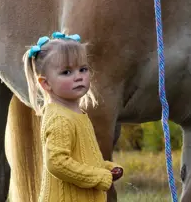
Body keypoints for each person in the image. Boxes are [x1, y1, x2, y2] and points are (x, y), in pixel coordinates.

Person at [24, 31, 123, 202]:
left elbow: (83, 159)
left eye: (83, 69)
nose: (78, 77)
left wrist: (106, 168)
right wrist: (98, 177)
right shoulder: (60, 119)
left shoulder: (76, 114)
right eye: (66, 72)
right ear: (45, 83)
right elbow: (58, 163)